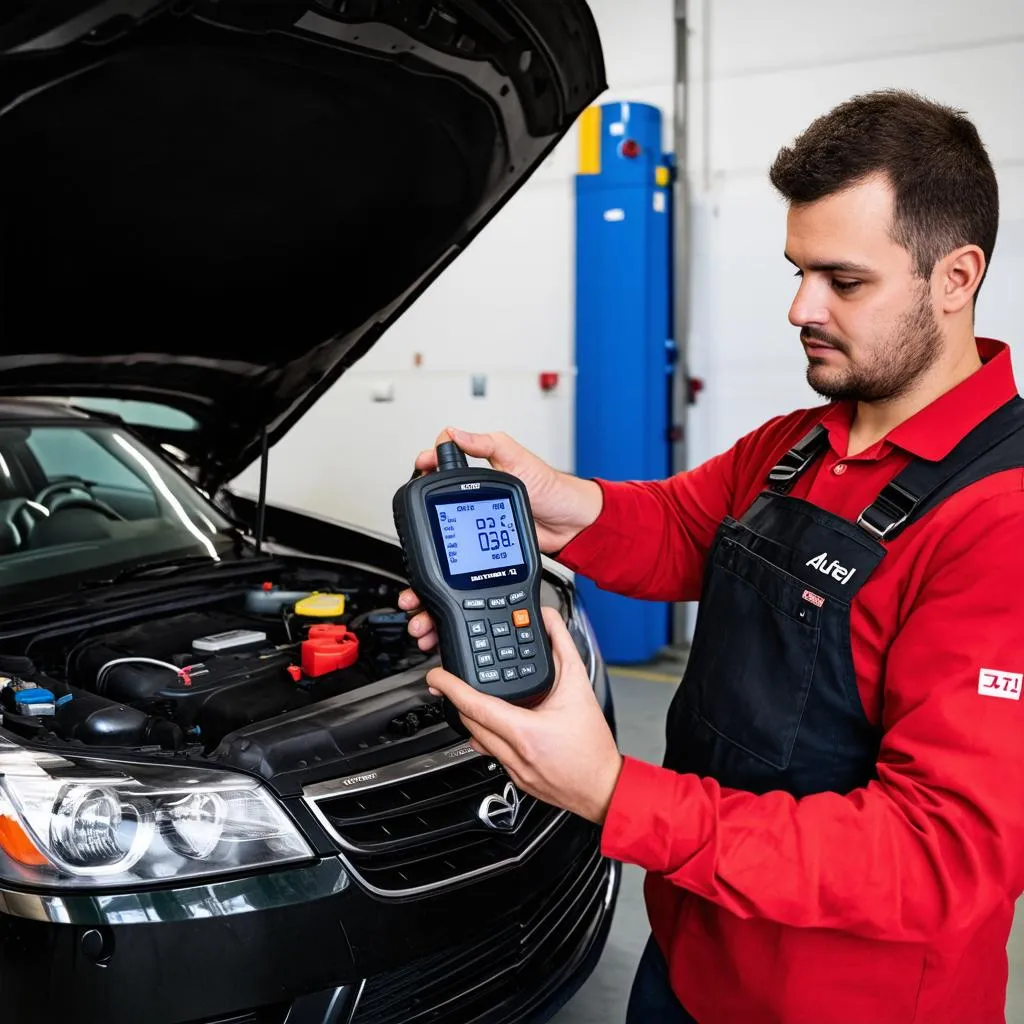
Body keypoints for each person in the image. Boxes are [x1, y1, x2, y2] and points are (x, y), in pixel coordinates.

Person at [399, 89, 1024, 1024]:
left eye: (842, 282)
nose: (799, 307)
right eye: (796, 269)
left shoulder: (1000, 522)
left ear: (955, 276)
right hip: (694, 951)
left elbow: (936, 858)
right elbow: (687, 530)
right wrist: (561, 502)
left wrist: (614, 792)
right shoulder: (799, 442)